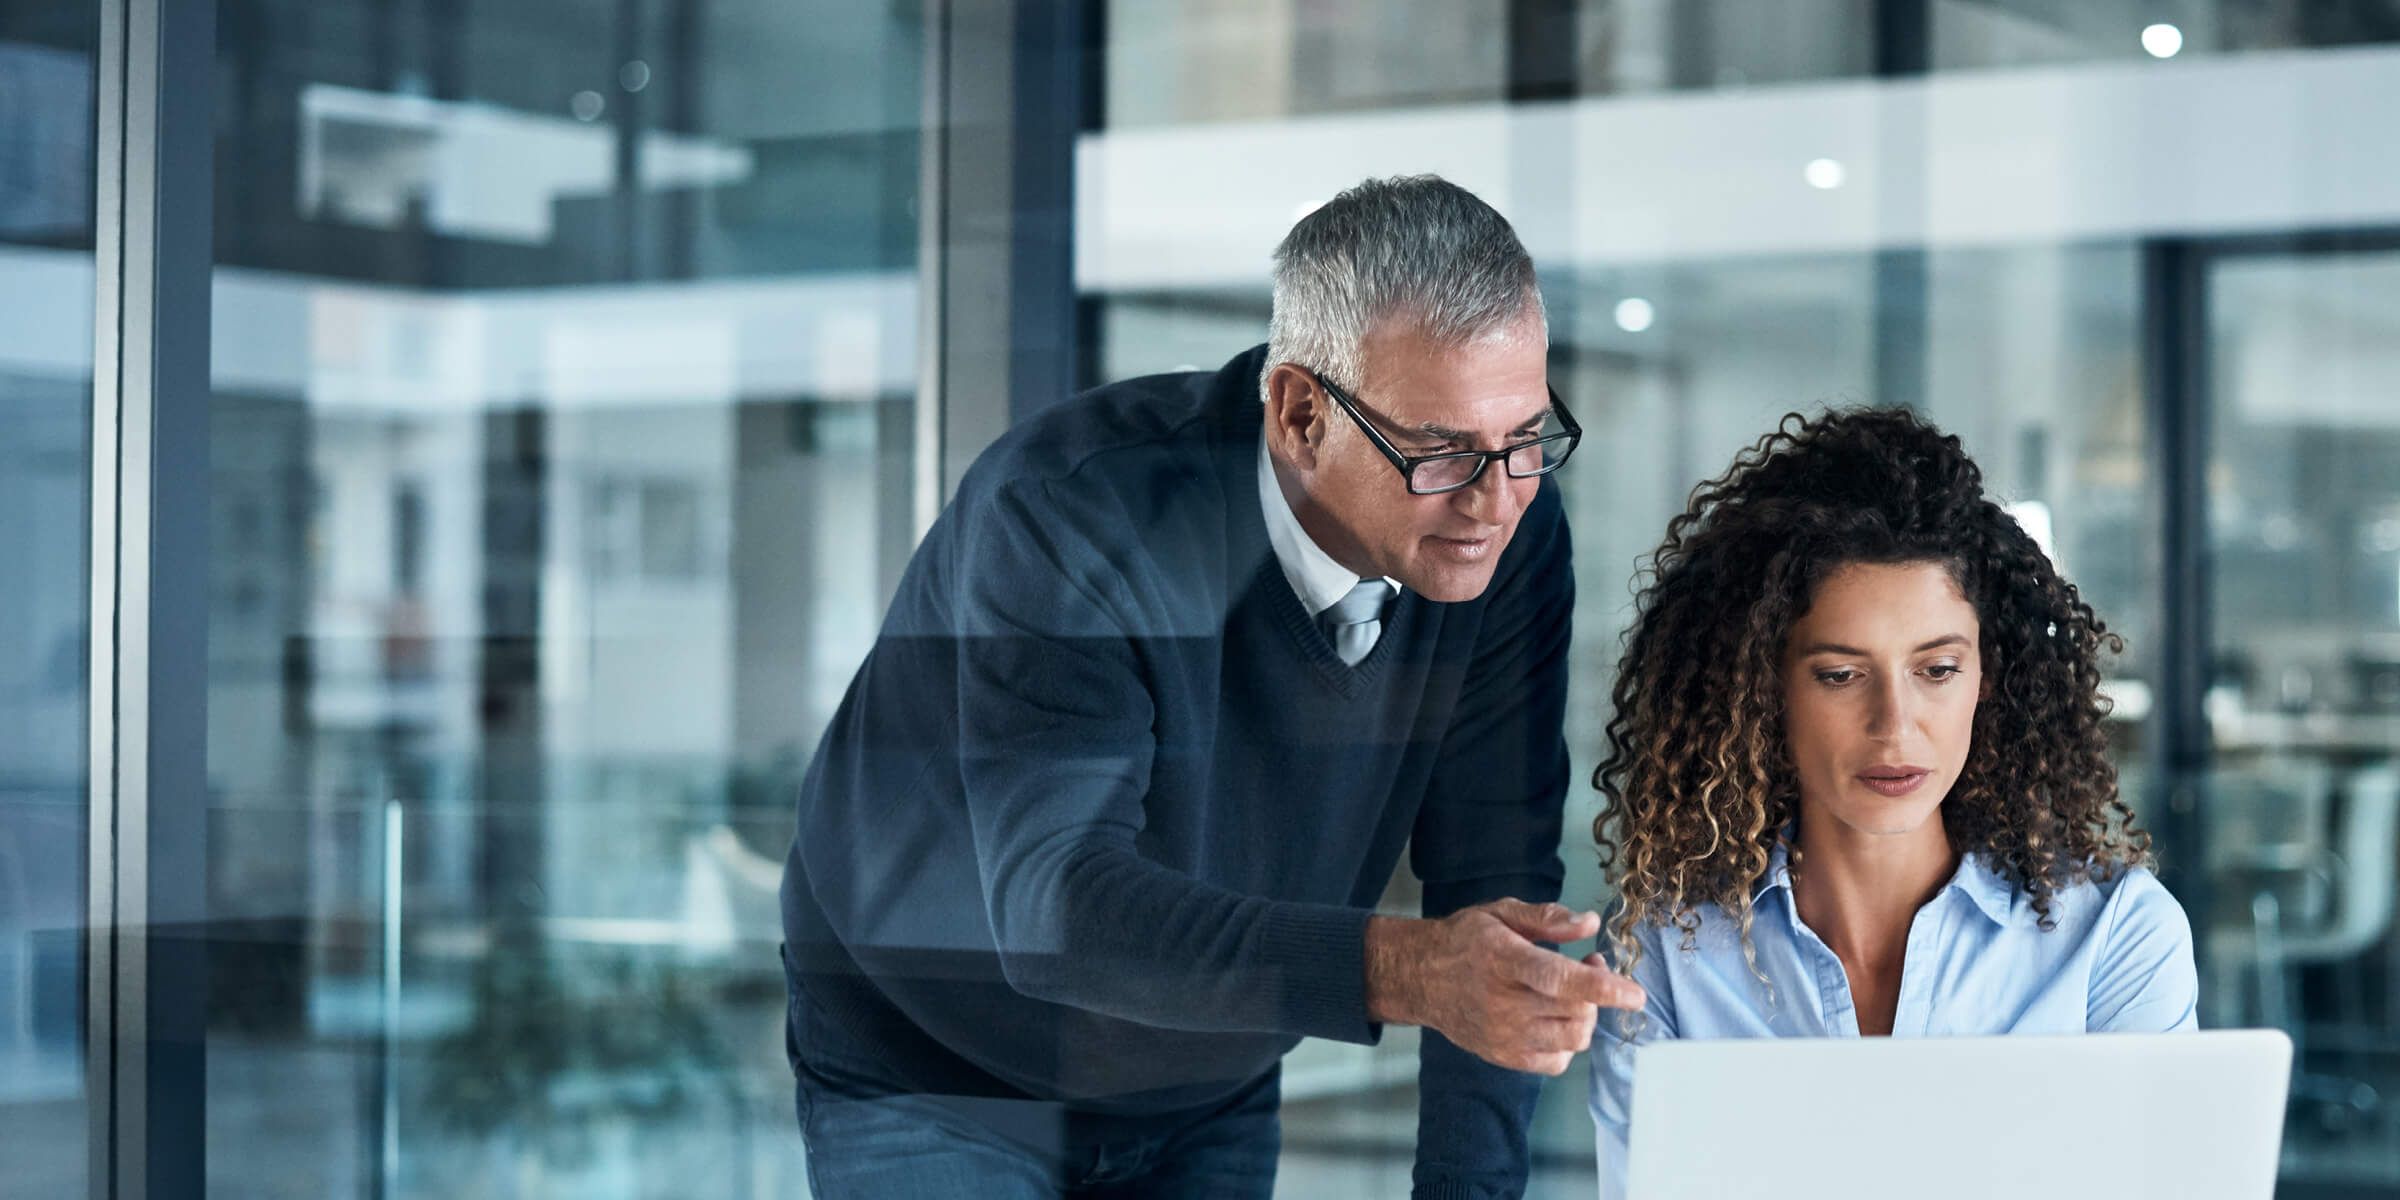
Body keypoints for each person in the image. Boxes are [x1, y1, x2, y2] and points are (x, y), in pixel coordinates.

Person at [780, 175, 1644, 1200]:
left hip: (1209, 1069)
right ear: (1300, 411)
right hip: (936, 1062)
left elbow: (1493, 881)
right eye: (1442, 452)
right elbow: (1057, 911)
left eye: (1527, 439)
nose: (1496, 500)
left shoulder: (1507, 540)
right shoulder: (1077, 514)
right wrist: (1408, 970)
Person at [1583, 407, 2198, 1197]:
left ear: (1987, 677)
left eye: (1937, 670)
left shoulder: (2115, 937)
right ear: (1761, 689)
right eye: (1841, 675)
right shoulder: (1664, 954)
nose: (1895, 725)